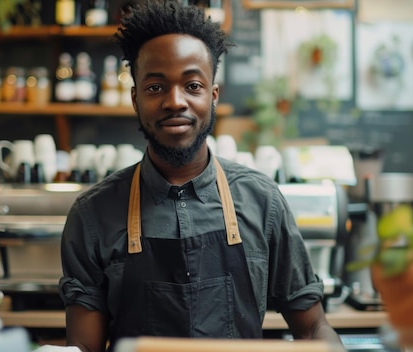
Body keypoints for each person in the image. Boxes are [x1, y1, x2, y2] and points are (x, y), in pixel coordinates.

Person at [58, 1, 343, 351]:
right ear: (135, 99)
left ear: (213, 95)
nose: (175, 101)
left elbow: (313, 328)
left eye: (192, 85)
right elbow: (83, 348)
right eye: (155, 87)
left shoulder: (261, 202)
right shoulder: (93, 215)